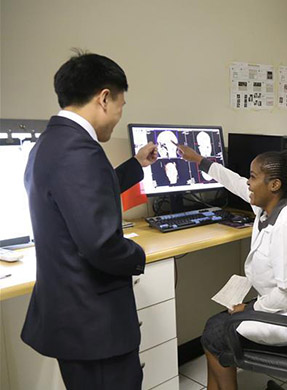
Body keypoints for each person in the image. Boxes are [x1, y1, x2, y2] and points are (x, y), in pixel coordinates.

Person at [21, 52, 158, 390]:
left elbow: (83, 194)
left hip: (72, 316)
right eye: (121, 106)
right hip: (94, 325)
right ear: (104, 98)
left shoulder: (52, 143)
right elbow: (101, 245)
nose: (118, 116)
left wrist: (135, 165)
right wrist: (140, 255)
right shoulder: (79, 152)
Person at [176, 145, 287, 390]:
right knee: (214, 329)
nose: (249, 184)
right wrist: (199, 161)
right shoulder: (274, 203)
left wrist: (251, 307)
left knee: (214, 334)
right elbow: (235, 182)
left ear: (274, 185)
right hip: (279, 302)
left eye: (253, 177)